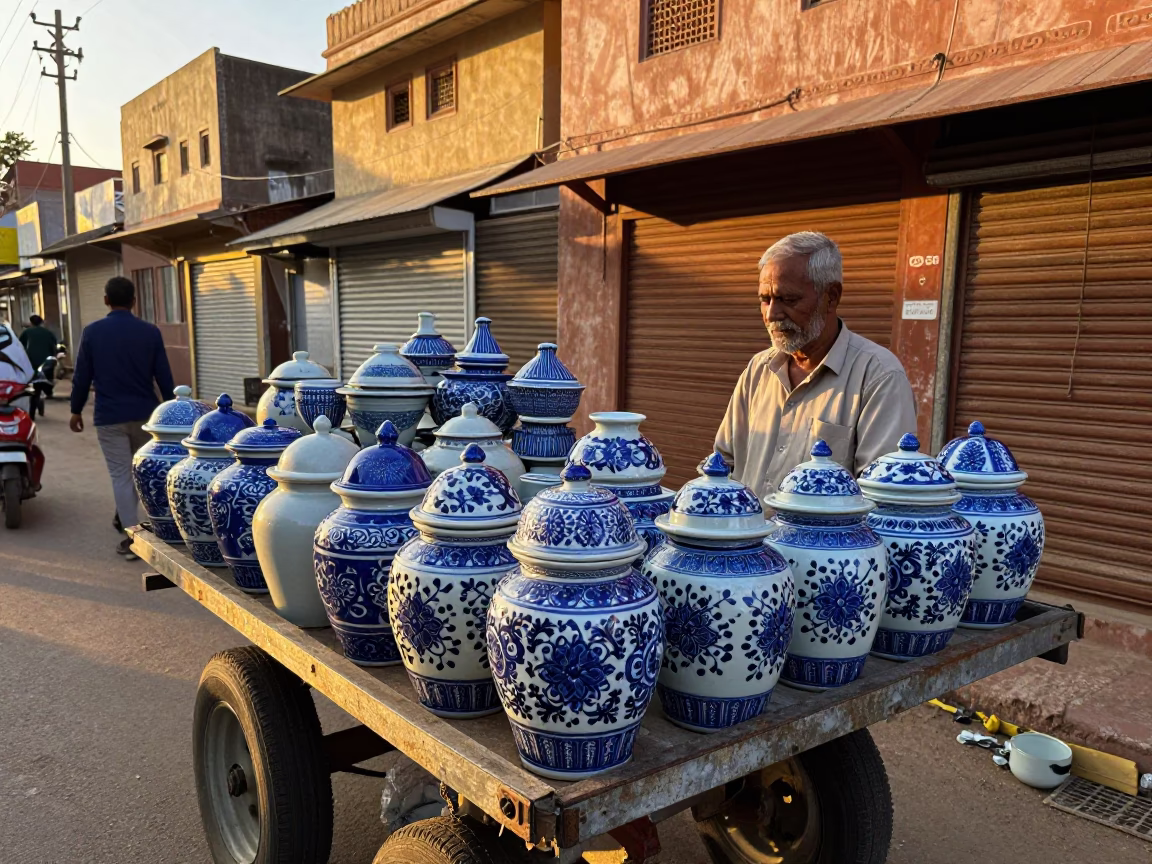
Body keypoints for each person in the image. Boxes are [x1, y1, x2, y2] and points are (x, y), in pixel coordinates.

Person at [715, 231, 916, 503]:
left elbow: (882, 496)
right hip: (746, 544)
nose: (772, 314)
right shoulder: (758, 369)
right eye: (765, 299)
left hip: (824, 546)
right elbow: (723, 464)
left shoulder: (878, 376)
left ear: (831, 297)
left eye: (788, 299)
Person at [70, 276, 175, 558]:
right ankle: (163, 529)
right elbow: (163, 375)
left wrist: (75, 409)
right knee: (146, 472)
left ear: (106, 300)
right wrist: (173, 411)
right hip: (145, 414)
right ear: (133, 301)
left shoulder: (92, 332)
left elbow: (82, 376)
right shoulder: (149, 332)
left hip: (109, 417)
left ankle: (132, 539)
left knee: (121, 475)